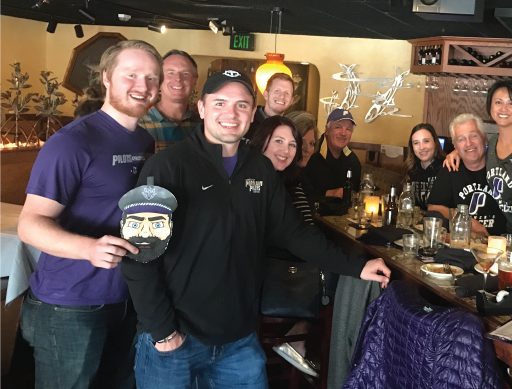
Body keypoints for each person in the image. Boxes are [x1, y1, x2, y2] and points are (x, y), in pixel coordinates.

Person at [120, 71, 390, 388]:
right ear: (203, 108)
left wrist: (358, 266)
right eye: (220, 103)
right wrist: (163, 330)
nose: (231, 114)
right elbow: (137, 255)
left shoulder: (260, 169)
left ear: (252, 114)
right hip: (175, 337)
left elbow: (295, 233)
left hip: (238, 340)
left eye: (242, 105)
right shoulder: (166, 165)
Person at [17, 40, 160, 389]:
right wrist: (89, 249)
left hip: (126, 298)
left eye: (151, 78)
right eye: (131, 75)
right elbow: (30, 225)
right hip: (69, 305)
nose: (142, 86)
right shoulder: (72, 142)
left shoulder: (143, 141)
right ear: (107, 78)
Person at [249, 115, 320, 377]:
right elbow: (300, 231)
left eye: (293, 144)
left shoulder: (293, 179)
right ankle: (299, 337)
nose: (288, 150)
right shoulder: (251, 180)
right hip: (273, 266)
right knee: (340, 278)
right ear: (261, 142)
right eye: (279, 141)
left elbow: (302, 227)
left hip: (279, 260)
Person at [443, 80, 512, 252]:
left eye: (511, 103)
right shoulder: (492, 144)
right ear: (490, 106)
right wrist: (456, 152)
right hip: (509, 233)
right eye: (498, 102)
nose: (504, 109)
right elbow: (473, 151)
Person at [427, 113, 507, 236]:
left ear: (485, 139)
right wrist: (464, 219)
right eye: (461, 139)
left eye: (473, 136)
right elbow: (433, 207)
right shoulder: (450, 167)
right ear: (455, 146)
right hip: (462, 244)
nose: (468, 143)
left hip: (501, 244)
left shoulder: (502, 165)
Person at [138, 49, 201, 152]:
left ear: (195, 81)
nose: (178, 79)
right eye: (170, 73)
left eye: (185, 73)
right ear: (159, 79)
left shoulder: (202, 125)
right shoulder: (139, 124)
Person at [304, 109, 362, 200]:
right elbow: (298, 189)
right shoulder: (311, 153)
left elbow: (356, 192)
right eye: (338, 127)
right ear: (327, 130)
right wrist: (328, 193)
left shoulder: (353, 160)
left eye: (348, 129)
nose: (343, 133)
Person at [402, 123, 446, 208]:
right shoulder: (410, 169)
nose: (421, 147)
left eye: (426, 141)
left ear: (435, 142)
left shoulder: (447, 166)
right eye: (416, 143)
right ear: (412, 147)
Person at [245, 72, 294, 141]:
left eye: (287, 93)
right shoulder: (247, 120)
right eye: (277, 91)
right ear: (266, 95)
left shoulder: (291, 130)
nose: (282, 96)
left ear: (291, 100)